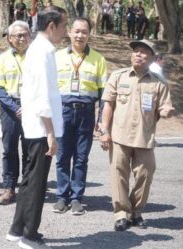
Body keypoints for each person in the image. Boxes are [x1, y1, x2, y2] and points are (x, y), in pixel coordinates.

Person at [6, 6, 67, 249]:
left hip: (36, 125)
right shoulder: (42, 51)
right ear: (51, 26)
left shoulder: (39, 50)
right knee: (37, 182)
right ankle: (30, 235)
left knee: (30, 179)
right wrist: (51, 133)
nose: (65, 32)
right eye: (63, 26)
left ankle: (17, 228)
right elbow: (43, 97)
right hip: (42, 128)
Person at [99, 40, 175, 231]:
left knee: (145, 175)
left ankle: (136, 211)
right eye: (136, 52)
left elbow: (165, 106)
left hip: (144, 137)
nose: (138, 55)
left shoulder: (158, 83)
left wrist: (166, 111)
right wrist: (104, 131)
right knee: (119, 175)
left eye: (143, 52)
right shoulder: (118, 76)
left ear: (151, 58)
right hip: (119, 136)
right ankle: (121, 214)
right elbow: (108, 105)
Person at [53, 17, 107, 215]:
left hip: (86, 112)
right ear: (69, 32)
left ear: (89, 34)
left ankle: (76, 198)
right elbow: (49, 89)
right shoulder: (56, 56)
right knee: (62, 156)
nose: (80, 35)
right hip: (62, 111)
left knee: (81, 158)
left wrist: (101, 120)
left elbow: (103, 95)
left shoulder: (99, 59)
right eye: (76, 31)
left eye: (84, 31)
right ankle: (61, 197)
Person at [0, 21, 31, 205]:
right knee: (9, 149)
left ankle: (27, 188)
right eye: (18, 35)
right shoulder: (2, 59)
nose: (22, 38)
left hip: (33, 108)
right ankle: (9, 188)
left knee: (30, 150)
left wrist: (31, 107)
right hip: (10, 108)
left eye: (25, 34)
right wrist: (16, 108)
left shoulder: (37, 58)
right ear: (9, 38)